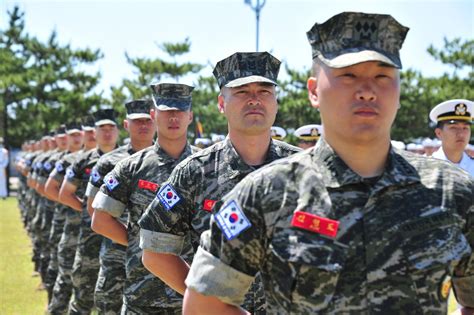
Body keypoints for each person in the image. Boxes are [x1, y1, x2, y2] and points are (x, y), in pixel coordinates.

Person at [183, 12, 474, 314]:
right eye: (348, 75)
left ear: (399, 91)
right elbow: (205, 304)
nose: (366, 90)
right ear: (313, 91)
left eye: (382, 75)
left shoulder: (453, 193)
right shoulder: (265, 194)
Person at [138, 52, 301, 313]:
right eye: (241, 92)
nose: (254, 99)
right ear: (221, 104)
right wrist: (208, 299)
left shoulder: (303, 168)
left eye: (264, 91)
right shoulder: (195, 172)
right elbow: (154, 250)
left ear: (276, 102)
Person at [91, 84, 199, 314]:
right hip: (143, 292)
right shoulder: (132, 166)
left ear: (190, 116)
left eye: (179, 111)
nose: (173, 117)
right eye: (166, 111)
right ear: (154, 115)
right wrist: (138, 244)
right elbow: (100, 219)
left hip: (193, 294)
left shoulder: (207, 166)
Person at [70, 99, 155, 315]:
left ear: (155, 121)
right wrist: (133, 241)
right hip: (117, 253)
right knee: (109, 306)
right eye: (137, 122)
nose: (143, 126)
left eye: (147, 120)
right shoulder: (109, 162)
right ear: (126, 125)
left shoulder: (172, 161)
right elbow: (93, 208)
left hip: (160, 253)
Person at [59, 109, 120, 315]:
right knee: (83, 293)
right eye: (102, 128)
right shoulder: (83, 160)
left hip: (118, 240)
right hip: (89, 237)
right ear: (94, 132)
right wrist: (87, 211)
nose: (107, 133)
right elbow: (63, 192)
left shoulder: (129, 159)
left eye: (111, 128)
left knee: (114, 300)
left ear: (118, 131)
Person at [430, 99, 474, 177]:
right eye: (453, 128)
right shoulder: (426, 167)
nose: (461, 134)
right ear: (439, 133)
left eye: (465, 128)